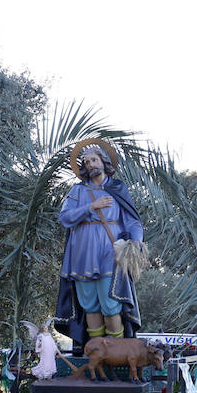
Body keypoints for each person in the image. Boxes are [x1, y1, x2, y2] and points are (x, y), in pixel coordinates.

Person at [55, 138, 144, 342]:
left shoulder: (117, 188)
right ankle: (97, 355)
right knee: (89, 305)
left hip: (110, 253)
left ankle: (117, 353)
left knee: (111, 303)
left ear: (104, 161)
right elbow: (65, 217)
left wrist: (137, 242)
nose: (90, 165)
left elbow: (133, 221)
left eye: (94, 160)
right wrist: (90, 207)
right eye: (86, 162)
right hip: (82, 255)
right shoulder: (77, 191)